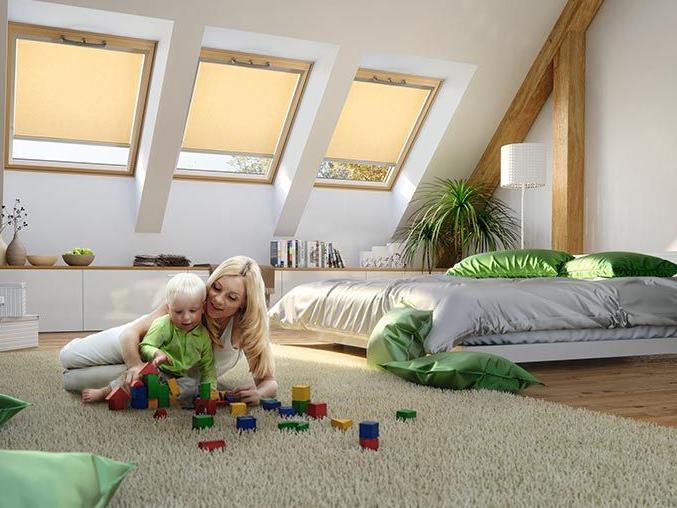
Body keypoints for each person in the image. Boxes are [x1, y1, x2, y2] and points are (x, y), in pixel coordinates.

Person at [59, 256, 277, 404]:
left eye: (231, 297)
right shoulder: (192, 300)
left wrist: (259, 394)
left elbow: (269, 382)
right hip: (138, 344)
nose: (217, 300)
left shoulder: (247, 328)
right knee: (67, 356)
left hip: (165, 375)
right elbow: (130, 335)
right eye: (216, 288)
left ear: (244, 304)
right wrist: (136, 367)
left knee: (71, 381)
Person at [80, 273, 216, 403]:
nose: (186, 318)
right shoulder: (163, 325)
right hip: (158, 370)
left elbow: (207, 368)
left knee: (192, 384)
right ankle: (105, 391)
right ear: (169, 309)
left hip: (180, 376)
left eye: (193, 311)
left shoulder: (203, 336)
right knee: (134, 375)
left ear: (203, 308)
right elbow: (145, 346)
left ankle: (160, 396)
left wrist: (211, 391)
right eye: (178, 312)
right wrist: (157, 353)